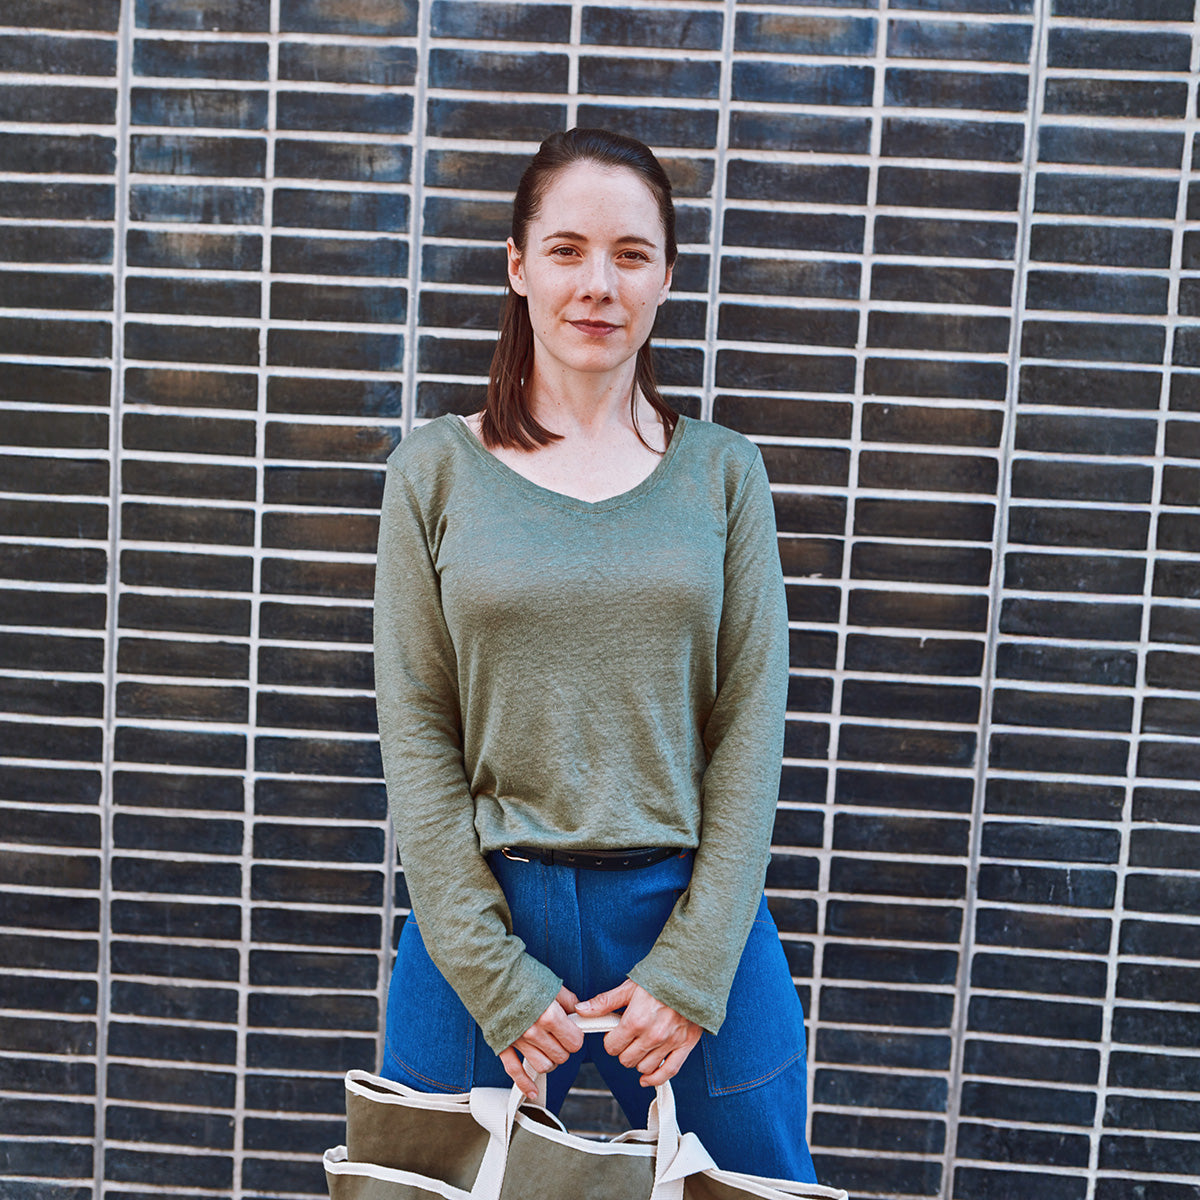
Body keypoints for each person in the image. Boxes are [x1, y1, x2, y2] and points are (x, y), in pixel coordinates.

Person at [373, 127, 817, 1183]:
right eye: (566, 250)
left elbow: (751, 724)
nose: (597, 284)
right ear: (517, 266)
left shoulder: (724, 474)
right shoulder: (434, 473)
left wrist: (694, 968)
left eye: (630, 254)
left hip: (686, 913)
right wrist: (492, 974)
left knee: (758, 1187)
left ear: (666, 276)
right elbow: (417, 728)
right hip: (483, 918)